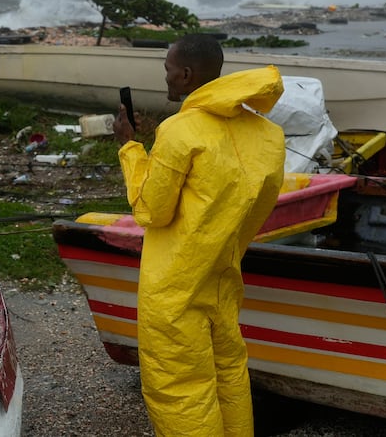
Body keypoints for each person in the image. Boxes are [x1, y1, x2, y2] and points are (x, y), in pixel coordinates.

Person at [113, 33, 286, 436]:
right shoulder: (268, 135)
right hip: (223, 274)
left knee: (181, 387)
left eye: (169, 71)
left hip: (175, 286)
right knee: (228, 373)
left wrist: (130, 148)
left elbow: (151, 211)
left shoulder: (180, 131)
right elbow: (250, 207)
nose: (167, 79)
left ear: (187, 74)